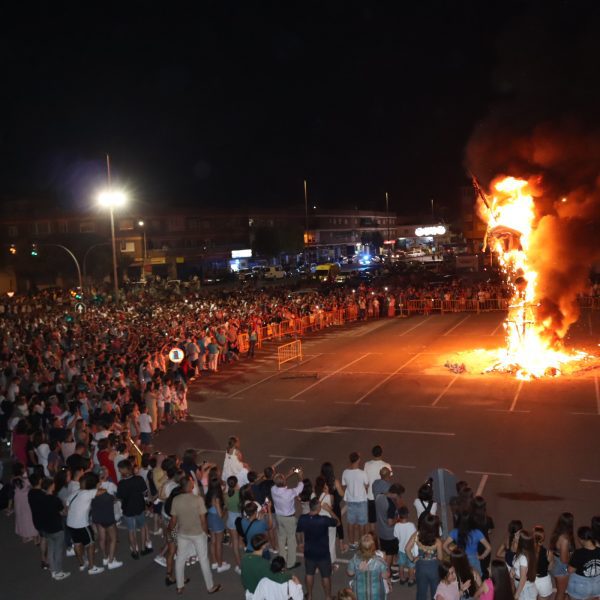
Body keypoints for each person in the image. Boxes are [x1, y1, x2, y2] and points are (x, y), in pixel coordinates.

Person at [168, 474, 221, 594]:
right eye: (192, 481)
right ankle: (210, 586)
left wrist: (171, 533)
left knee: (180, 559)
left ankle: (180, 586)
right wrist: (206, 532)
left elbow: (173, 521)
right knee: (203, 559)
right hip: (197, 533)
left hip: (182, 533)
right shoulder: (198, 499)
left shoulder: (176, 500)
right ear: (190, 485)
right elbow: (203, 520)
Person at [28, 474, 70, 580]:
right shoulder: (55, 500)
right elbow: (63, 513)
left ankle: (53, 570)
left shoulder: (37, 496)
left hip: (46, 528)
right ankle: (58, 572)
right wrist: (66, 507)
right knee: (58, 550)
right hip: (56, 527)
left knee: (51, 549)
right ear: (51, 486)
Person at [296, 497, 339, 600]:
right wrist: (329, 510)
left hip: (309, 551)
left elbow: (298, 532)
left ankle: (309, 595)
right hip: (323, 553)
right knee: (326, 576)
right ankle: (328, 597)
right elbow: (337, 522)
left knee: (309, 573)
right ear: (318, 508)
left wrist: (300, 543)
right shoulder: (323, 520)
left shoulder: (302, 518)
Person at [66, 471, 104, 575]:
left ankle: (82, 564)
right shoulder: (88, 493)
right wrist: (100, 485)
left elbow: (67, 505)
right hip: (82, 524)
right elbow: (101, 492)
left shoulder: (75, 492)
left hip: (70, 523)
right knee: (90, 544)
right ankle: (92, 567)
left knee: (77, 543)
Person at [117, 458, 152, 559]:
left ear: (124, 470)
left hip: (127, 509)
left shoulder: (121, 484)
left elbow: (120, 497)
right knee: (142, 527)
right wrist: (146, 502)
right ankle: (143, 548)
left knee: (131, 530)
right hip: (139, 507)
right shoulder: (139, 479)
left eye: (120, 469)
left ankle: (135, 551)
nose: (119, 471)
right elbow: (145, 493)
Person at [271, 468, 304, 569]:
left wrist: (289, 473)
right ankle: (290, 563)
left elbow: (278, 481)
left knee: (281, 539)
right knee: (291, 540)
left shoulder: (273, 489)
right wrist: (299, 475)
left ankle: (282, 560)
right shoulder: (289, 493)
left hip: (279, 517)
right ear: (284, 481)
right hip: (289, 518)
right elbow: (300, 486)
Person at [241, 533, 292, 599]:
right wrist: (290, 575)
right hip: (258, 594)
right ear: (263, 546)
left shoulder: (245, 558)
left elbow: (243, 577)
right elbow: (278, 578)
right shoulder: (263, 563)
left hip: (248, 592)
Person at [406, 514, 444, 600]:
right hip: (434, 567)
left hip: (420, 566)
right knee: (435, 592)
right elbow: (440, 558)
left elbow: (407, 549)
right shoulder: (437, 541)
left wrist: (412, 559)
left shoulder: (417, 535)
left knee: (421, 591)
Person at [443, 510, 491, 575]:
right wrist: (482, 556)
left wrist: (452, 554)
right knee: (476, 577)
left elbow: (444, 546)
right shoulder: (477, 532)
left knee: (461, 576)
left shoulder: (454, 532)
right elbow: (488, 548)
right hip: (473, 559)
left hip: (459, 559)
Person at [347, 533, 390, 600]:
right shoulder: (379, 562)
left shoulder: (355, 559)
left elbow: (350, 573)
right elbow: (385, 576)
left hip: (359, 590)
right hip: (375, 591)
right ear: (373, 547)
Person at [342, 452, 369, 550]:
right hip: (361, 501)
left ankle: (352, 544)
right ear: (358, 460)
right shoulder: (362, 473)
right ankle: (362, 544)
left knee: (350, 523)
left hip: (350, 501)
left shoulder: (345, 472)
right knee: (362, 524)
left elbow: (344, 484)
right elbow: (366, 485)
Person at [375, 483, 404, 574]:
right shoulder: (391, 505)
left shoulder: (379, 496)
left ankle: (385, 570)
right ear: (395, 494)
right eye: (399, 495)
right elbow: (390, 522)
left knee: (384, 552)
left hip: (381, 530)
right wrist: (398, 519)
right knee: (389, 554)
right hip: (390, 534)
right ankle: (387, 573)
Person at [566, 526, 600, 600]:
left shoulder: (579, 553)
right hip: (597, 585)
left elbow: (570, 570)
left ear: (581, 539)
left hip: (581, 586)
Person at [205, 476, 230, 572]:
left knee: (213, 541)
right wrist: (225, 509)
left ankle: (215, 562)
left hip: (210, 518)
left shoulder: (209, 494)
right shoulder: (217, 498)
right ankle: (220, 565)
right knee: (219, 543)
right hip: (216, 520)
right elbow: (220, 515)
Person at [363, 445, 391, 529]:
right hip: (383, 496)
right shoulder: (386, 465)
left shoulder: (367, 464)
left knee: (372, 520)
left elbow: (365, 479)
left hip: (371, 496)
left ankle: (373, 538)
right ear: (381, 453)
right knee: (383, 518)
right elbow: (389, 477)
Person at [550, 512, 575, 600]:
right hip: (562, 568)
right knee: (561, 593)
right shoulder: (564, 539)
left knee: (561, 591)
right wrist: (574, 561)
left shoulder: (557, 533)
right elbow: (564, 560)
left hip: (557, 565)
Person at [511, 529, 538, 600]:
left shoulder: (523, 558)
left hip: (525, 591)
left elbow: (523, 578)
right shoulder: (523, 552)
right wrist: (513, 569)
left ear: (520, 542)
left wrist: (516, 595)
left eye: (517, 535)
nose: (514, 535)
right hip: (523, 587)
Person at [394, 505, 417, 585]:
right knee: (411, 566)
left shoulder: (396, 526)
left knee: (401, 565)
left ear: (398, 516)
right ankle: (411, 580)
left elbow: (396, 537)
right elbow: (415, 536)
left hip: (401, 549)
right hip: (410, 550)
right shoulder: (411, 525)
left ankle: (402, 579)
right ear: (408, 515)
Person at [533, 525, 553, 599]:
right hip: (543, 581)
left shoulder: (526, 552)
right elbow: (550, 568)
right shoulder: (548, 553)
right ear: (543, 538)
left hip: (530, 580)